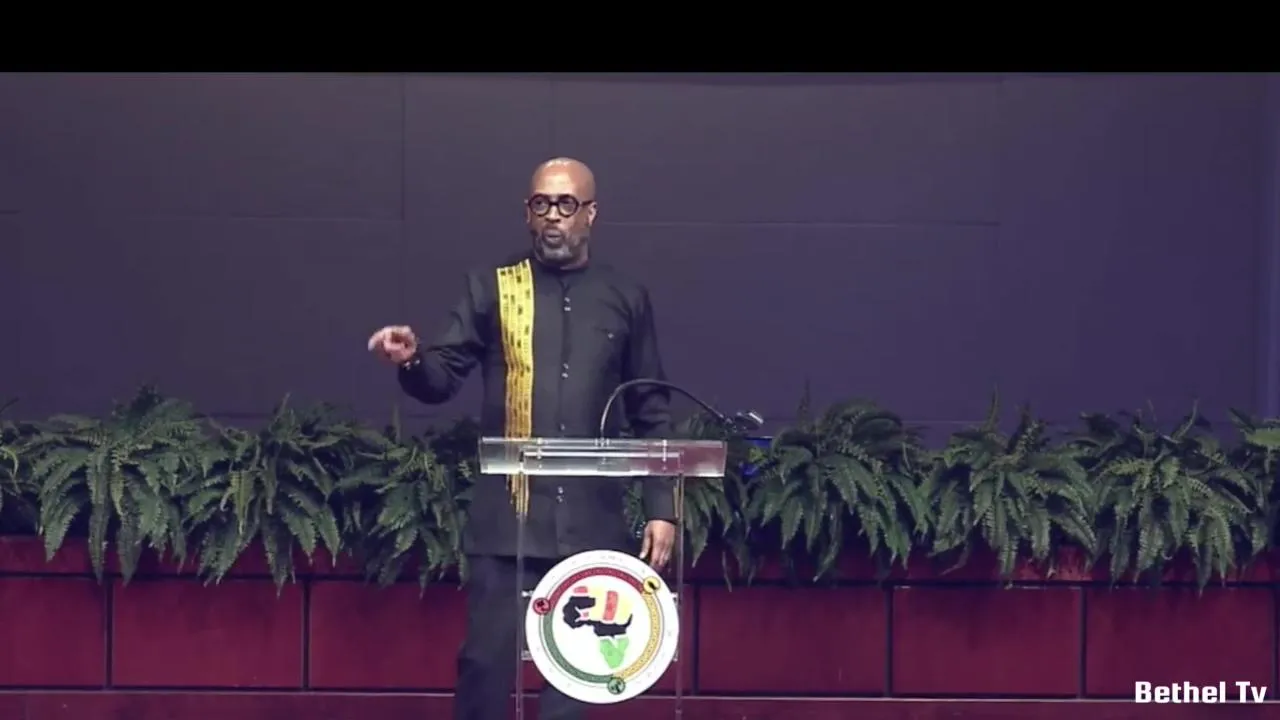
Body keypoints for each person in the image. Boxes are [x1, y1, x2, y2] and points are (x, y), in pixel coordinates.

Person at [367, 157, 677, 720]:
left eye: (566, 204)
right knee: (485, 668)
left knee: (576, 680)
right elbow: (441, 379)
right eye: (541, 204)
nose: (553, 215)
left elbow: (650, 409)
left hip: (590, 525)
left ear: (590, 214)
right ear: (527, 213)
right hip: (508, 522)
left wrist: (662, 507)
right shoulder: (494, 287)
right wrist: (411, 360)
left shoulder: (625, 296)